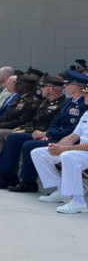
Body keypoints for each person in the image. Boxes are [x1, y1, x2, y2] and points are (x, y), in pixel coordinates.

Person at [0, 75, 67, 189]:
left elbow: (49, 125)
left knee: (20, 141)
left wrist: (32, 131)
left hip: (46, 135)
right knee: (13, 137)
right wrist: (24, 128)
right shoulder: (45, 102)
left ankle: (28, 182)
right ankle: (6, 176)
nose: (40, 89)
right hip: (36, 132)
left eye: (44, 87)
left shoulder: (62, 104)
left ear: (51, 88)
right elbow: (34, 121)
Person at [31, 81, 88, 214]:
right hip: (81, 151)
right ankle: (62, 190)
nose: (85, 97)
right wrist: (57, 146)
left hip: (83, 151)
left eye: (87, 95)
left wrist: (65, 149)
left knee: (68, 156)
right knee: (39, 153)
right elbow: (73, 136)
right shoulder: (86, 115)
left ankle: (79, 202)